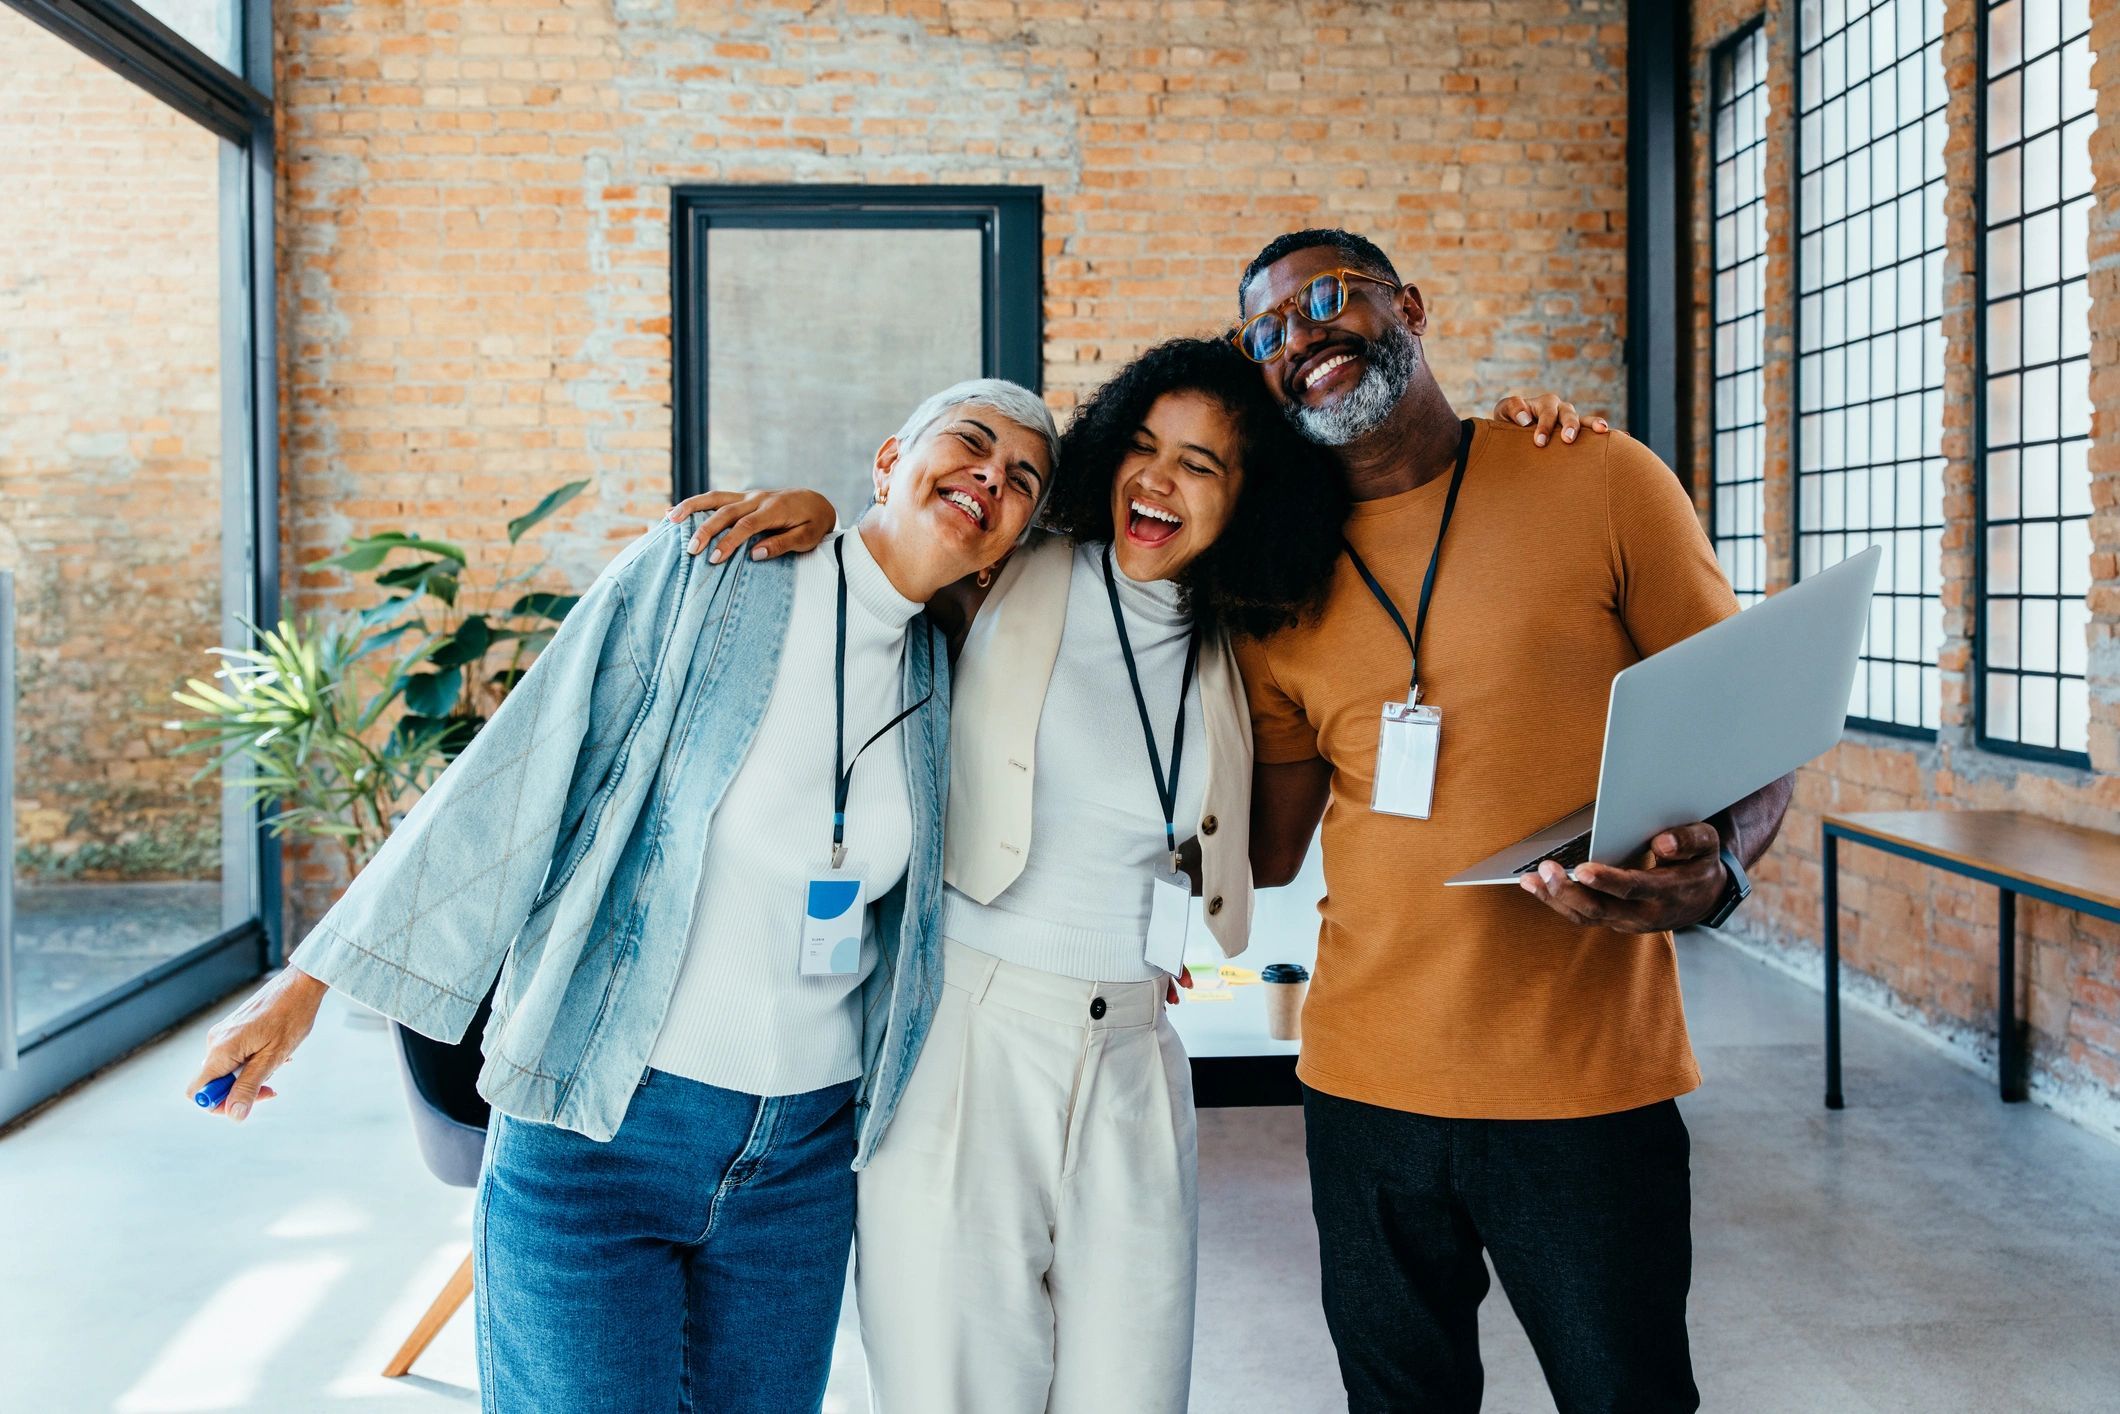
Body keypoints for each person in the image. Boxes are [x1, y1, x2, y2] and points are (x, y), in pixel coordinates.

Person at [669, 344, 1596, 1414]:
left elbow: (1269, 852)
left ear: (1248, 496)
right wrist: (822, 511)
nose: (1157, 480)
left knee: (1133, 1390)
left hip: (1138, 1053)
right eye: (1143, 448)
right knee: (955, 1388)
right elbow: (903, 534)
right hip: (968, 1035)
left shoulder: (1238, 642)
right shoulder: (1002, 573)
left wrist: (1525, 438)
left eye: (1201, 465)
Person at [185, 380, 1056, 1413]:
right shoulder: (707, 574)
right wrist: (307, 984)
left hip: (801, 1168)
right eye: (967, 442)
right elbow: (517, 767)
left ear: (1008, 544)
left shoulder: (947, 671)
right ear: (884, 460)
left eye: (1021, 480)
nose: (988, 476)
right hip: (599, 1126)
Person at [1234, 228, 1795, 1414]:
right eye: (1267, 333)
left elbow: (1752, 737)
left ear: (1412, 305)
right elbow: (1261, 846)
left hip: (1584, 1084)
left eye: (1326, 298)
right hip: (1361, 1088)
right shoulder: (1275, 577)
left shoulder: (1595, 476)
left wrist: (1720, 874)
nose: (1301, 336)